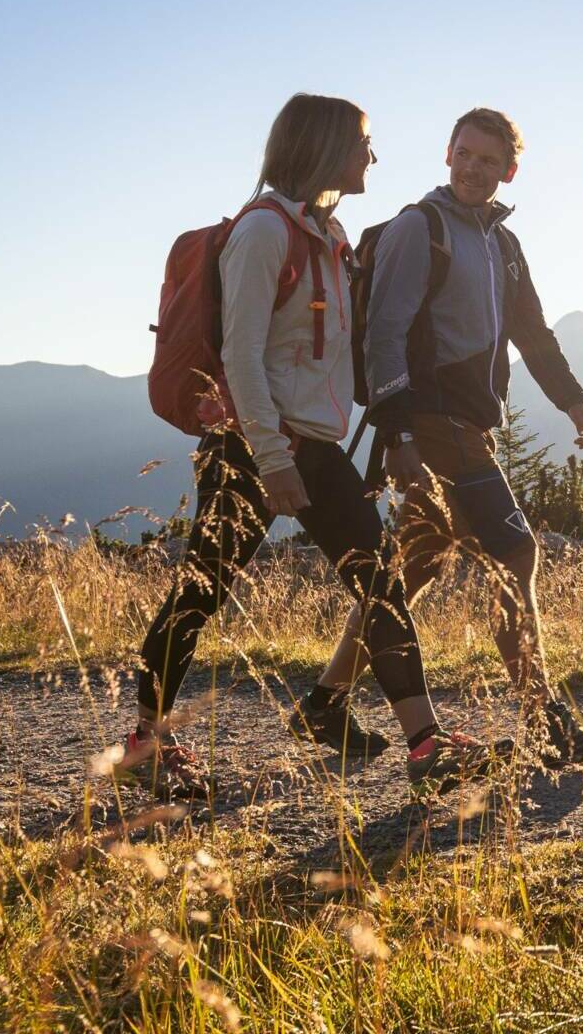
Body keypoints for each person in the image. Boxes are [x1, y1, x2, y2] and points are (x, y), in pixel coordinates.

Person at [122, 93, 504, 801]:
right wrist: (271, 459)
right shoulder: (265, 232)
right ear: (325, 147)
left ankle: (425, 746)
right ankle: (146, 740)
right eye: (364, 141)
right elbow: (241, 355)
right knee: (202, 592)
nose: (373, 155)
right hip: (253, 444)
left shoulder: (327, 234)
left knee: (380, 580)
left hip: (316, 446)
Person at [307, 106, 583, 764]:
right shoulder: (423, 227)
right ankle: (548, 725)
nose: (473, 168)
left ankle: (323, 705)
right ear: (447, 153)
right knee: (514, 555)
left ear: (509, 169)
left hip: (468, 422)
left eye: (487, 160)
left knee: (410, 572)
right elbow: (384, 333)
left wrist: (575, 402)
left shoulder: (502, 244)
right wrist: (398, 436)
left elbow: (532, 332)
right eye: (464, 154)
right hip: (430, 422)